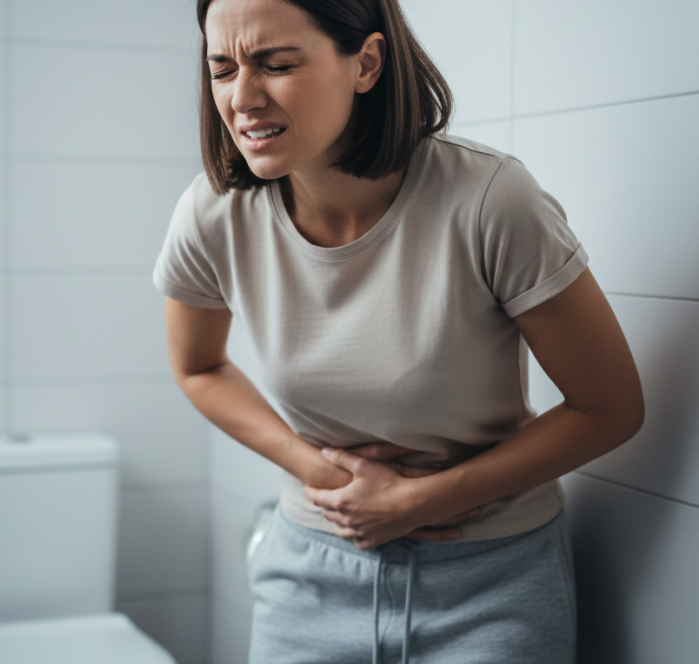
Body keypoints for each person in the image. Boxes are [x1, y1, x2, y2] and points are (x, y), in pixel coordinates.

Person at [153, 0, 645, 662]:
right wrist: (316, 470)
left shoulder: (490, 200)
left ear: (367, 63)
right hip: (310, 574)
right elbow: (198, 367)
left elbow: (610, 408)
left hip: (492, 582)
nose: (242, 98)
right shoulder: (213, 213)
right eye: (222, 69)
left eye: (277, 64)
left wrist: (423, 499)